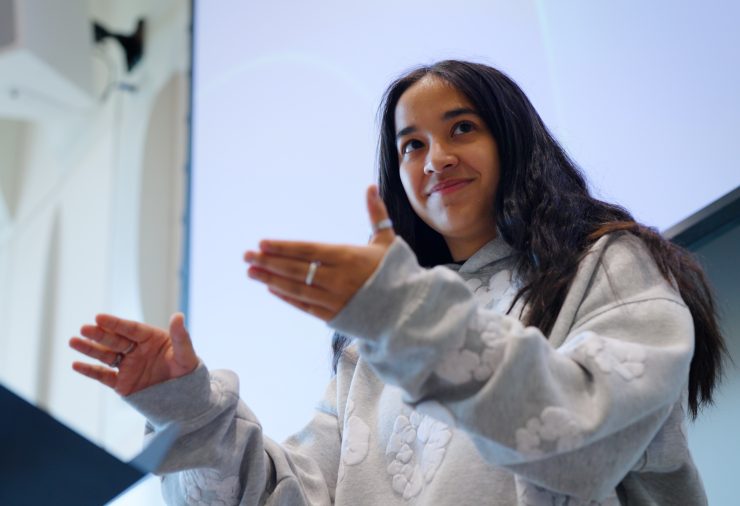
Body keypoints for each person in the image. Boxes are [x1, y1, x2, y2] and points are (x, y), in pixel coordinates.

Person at [70, 60, 727, 505]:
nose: (435, 158)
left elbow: (584, 445)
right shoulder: (375, 346)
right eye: (411, 144)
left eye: (461, 128)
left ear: (515, 141)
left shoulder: (608, 264)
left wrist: (405, 318)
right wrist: (192, 412)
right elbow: (295, 494)